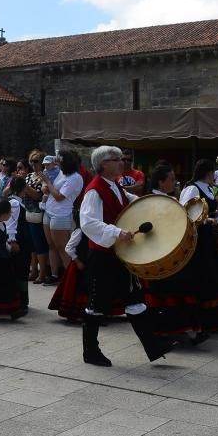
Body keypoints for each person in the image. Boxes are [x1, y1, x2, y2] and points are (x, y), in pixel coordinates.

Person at [80, 145, 175, 367]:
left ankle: (153, 346)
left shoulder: (115, 186)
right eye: (118, 159)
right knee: (96, 304)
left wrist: (157, 204)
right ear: (104, 164)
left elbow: (133, 202)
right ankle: (90, 352)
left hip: (117, 255)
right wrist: (116, 232)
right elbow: (88, 222)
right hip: (101, 257)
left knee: (134, 300)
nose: (123, 162)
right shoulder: (95, 190)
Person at [144, 164, 204, 343]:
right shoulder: (155, 200)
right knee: (168, 293)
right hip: (160, 255)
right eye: (171, 179)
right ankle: (172, 331)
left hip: (169, 253)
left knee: (177, 290)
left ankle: (183, 329)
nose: (174, 182)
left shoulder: (165, 199)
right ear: (161, 182)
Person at [180, 159, 218, 333]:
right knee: (205, 277)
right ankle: (203, 322)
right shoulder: (192, 189)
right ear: (208, 173)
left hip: (210, 239)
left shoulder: (209, 189)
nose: (215, 175)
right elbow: (186, 214)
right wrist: (207, 220)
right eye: (213, 172)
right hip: (199, 241)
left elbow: (208, 213)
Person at [41, 151, 84, 286]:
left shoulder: (75, 178)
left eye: (60, 161)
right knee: (51, 246)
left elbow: (59, 197)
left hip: (61, 214)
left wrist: (47, 182)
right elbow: (54, 189)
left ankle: (70, 279)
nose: (57, 163)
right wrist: (47, 187)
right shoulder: (63, 172)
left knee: (62, 248)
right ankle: (55, 275)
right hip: (49, 210)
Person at [23, 151, 50, 285]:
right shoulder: (28, 176)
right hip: (28, 213)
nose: (33, 163)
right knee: (32, 246)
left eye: (36, 161)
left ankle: (42, 273)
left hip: (39, 214)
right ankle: (34, 271)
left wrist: (25, 187)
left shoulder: (45, 177)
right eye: (32, 161)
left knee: (40, 245)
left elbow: (37, 196)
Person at [5, 177, 33, 309]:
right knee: (20, 269)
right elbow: (11, 222)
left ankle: (21, 298)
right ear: (23, 188)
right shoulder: (15, 203)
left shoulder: (17, 202)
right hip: (19, 241)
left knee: (22, 269)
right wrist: (12, 240)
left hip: (23, 240)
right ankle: (19, 300)